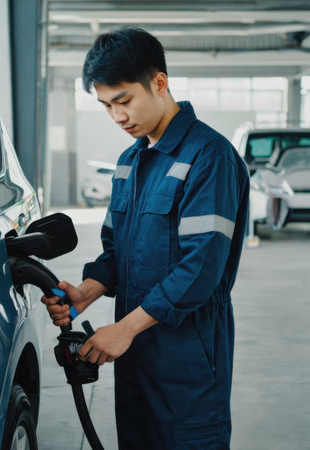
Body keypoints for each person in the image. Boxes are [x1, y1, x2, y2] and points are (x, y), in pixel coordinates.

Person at [42, 28, 249, 449]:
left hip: (187, 352)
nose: (118, 116)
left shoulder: (209, 157)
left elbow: (201, 268)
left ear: (159, 83)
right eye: (106, 106)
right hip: (135, 351)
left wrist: (124, 328)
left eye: (124, 101)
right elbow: (118, 250)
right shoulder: (130, 161)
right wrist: (86, 292)